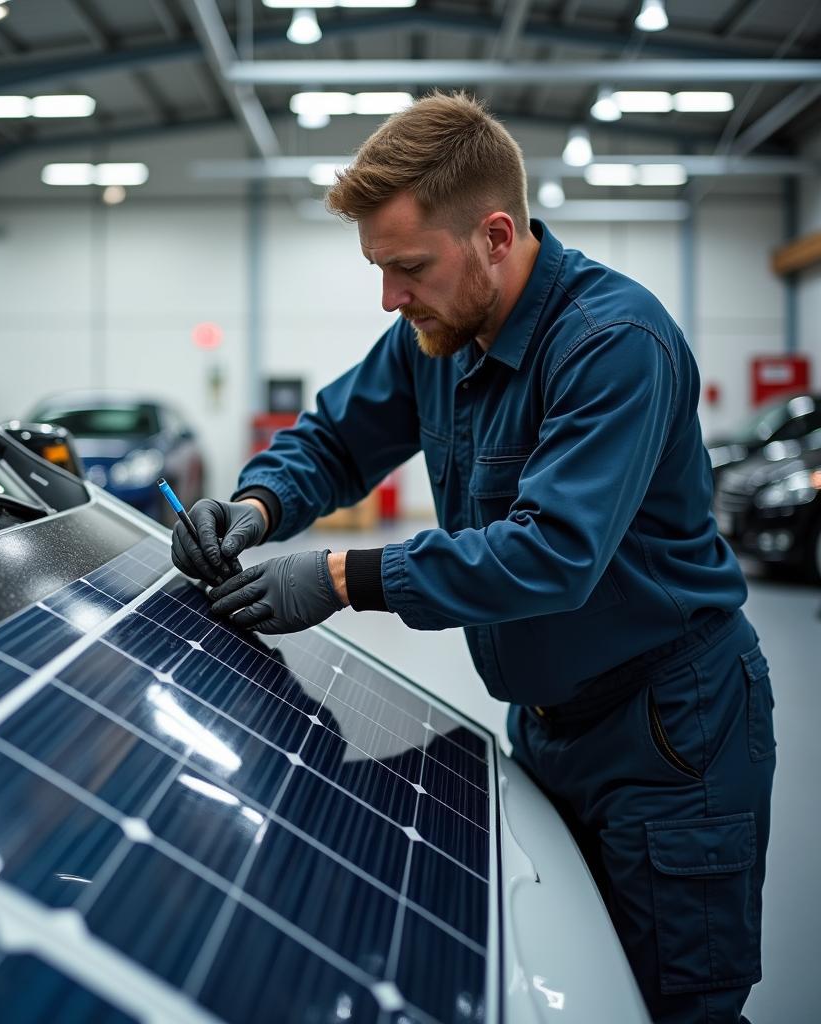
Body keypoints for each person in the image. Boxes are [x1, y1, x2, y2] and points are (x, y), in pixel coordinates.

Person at [170, 91, 775, 1024]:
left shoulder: (613, 343)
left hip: (668, 731)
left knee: (672, 1004)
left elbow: (551, 554)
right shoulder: (438, 338)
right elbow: (335, 440)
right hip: (547, 719)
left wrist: (339, 577)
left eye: (407, 267)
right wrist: (255, 506)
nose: (391, 297)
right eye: (379, 270)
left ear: (496, 234)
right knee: (570, 988)